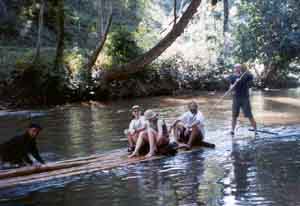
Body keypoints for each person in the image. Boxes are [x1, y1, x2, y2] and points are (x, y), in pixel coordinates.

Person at [228, 63, 257, 136]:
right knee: (234, 115)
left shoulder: (246, 75)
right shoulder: (232, 77)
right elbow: (230, 88)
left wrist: (254, 68)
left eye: (239, 67)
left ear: (240, 68)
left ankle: (255, 130)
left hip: (245, 98)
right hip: (236, 98)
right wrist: (234, 84)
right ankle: (232, 130)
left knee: (249, 115)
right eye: (236, 67)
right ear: (234, 69)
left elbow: (258, 77)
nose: (237, 69)